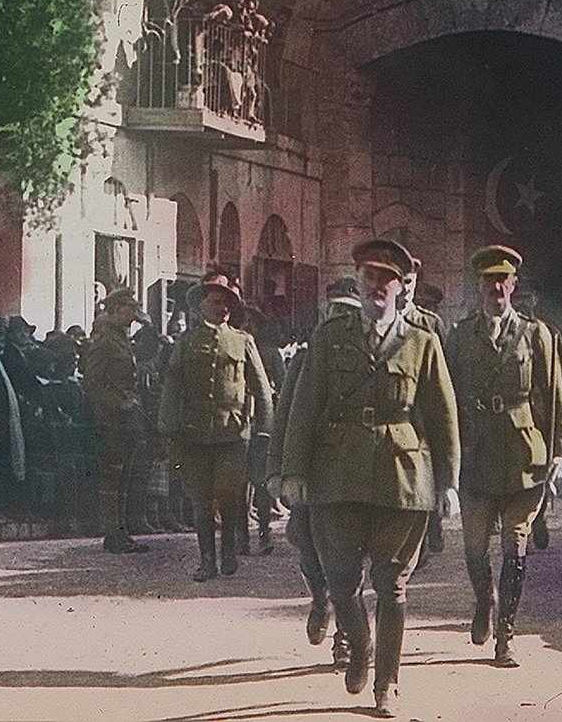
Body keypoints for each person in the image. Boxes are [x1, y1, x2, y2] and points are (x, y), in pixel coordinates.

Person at [280, 238, 459, 720]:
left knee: (393, 585)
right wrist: (294, 471)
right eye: (369, 277)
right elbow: (304, 406)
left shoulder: (423, 342)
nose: (377, 286)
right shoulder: (330, 336)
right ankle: (359, 648)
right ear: (358, 282)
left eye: (387, 279)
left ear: (402, 288)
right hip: (335, 473)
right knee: (341, 581)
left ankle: (387, 683)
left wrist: (447, 482)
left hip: (403, 477)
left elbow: (443, 415)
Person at [446, 245, 562, 668]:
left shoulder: (538, 335)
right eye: (488, 281)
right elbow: (444, 399)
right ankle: (485, 601)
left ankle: (506, 636)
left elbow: (554, 398)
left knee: (515, 546)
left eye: (503, 281)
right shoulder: (460, 336)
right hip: (476, 454)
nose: (496, 288)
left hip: (524, 456)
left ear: (514, 286)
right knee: (475, 551)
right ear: (478, 286)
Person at [268, 277, 362, 664]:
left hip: (353, 474)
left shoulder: (367, 358)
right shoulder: (306, 358)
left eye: (349, 311)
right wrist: (278, 470)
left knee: (349, 559)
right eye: (334, 309)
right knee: (307, 545)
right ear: (324, 313)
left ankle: (344, 636)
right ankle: (319, 598)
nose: (339, 317)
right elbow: (286, 416)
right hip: (312, 474)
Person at [159, 272, 272, 581]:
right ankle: (206, 560)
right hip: (194, 434)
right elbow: (173, 387)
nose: (222, 308)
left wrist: (264, 429)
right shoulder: (186, 343)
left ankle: (228, 553)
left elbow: (260, 388)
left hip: (232, 434)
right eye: (215, 302)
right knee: (200, 500)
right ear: (200, 307)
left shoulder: (242, 341)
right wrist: (168, 429)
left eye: (226, 304)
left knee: (230, 496)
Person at [84, 287, 148, 554]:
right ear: (117, 308)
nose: (134, 316)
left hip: (125, 418)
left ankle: (120, 532)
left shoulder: (120, 338)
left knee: (123, 477)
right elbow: (93, 381)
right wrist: (118, 405)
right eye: (130, 309)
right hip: (111, 419)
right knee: (113, 478)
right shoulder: (104, 339)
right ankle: (113, 533)